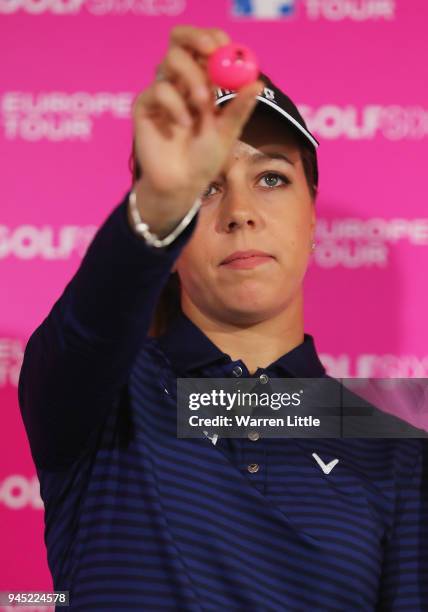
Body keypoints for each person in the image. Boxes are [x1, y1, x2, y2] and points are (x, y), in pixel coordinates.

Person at [18, 25, 427, 611]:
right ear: (172, 235)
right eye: (206, 188)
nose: (240, 212)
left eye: (271, 178)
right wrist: (160, 203)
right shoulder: (107, 400)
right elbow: (89, 328)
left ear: (313, 219)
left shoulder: (397, 453)